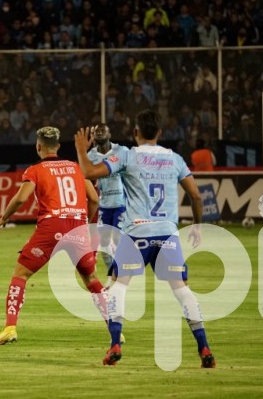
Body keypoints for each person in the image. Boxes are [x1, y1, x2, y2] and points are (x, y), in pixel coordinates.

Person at [74, 110, 215, 368]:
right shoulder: (175, 159)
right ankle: (204, 347)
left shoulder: (127, 155)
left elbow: (90, 172)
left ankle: (115, 342)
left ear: (135, 132)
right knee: (182, 291)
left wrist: (82, 150)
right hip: (167, 234)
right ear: (160, 133)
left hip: (136, 233)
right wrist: (197, 226)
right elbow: (196, 196)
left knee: (118, 285)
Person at [0, 126, 107, 345]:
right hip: (77, 226)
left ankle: (10, 327)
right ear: (59, 146)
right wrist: (84, 224)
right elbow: (94, 200)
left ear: (38, 146)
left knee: (20, 275)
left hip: (51, 227)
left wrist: (5, 217)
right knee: (91, 279)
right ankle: (116, 329)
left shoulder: (35, 170)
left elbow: (21, 198)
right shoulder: (76, 167)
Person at [87, 124, 128, 273]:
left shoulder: (122, 151)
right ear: (92, 136)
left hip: (121, 205)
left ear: (109, 134)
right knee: (104, 246)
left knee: (118, 242)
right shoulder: (90, 156)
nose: (99, 132)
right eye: (95, 130)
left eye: (102, 130)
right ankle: (113, 275)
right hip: (104, 206)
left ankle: (120, 276)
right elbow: (85, 179)